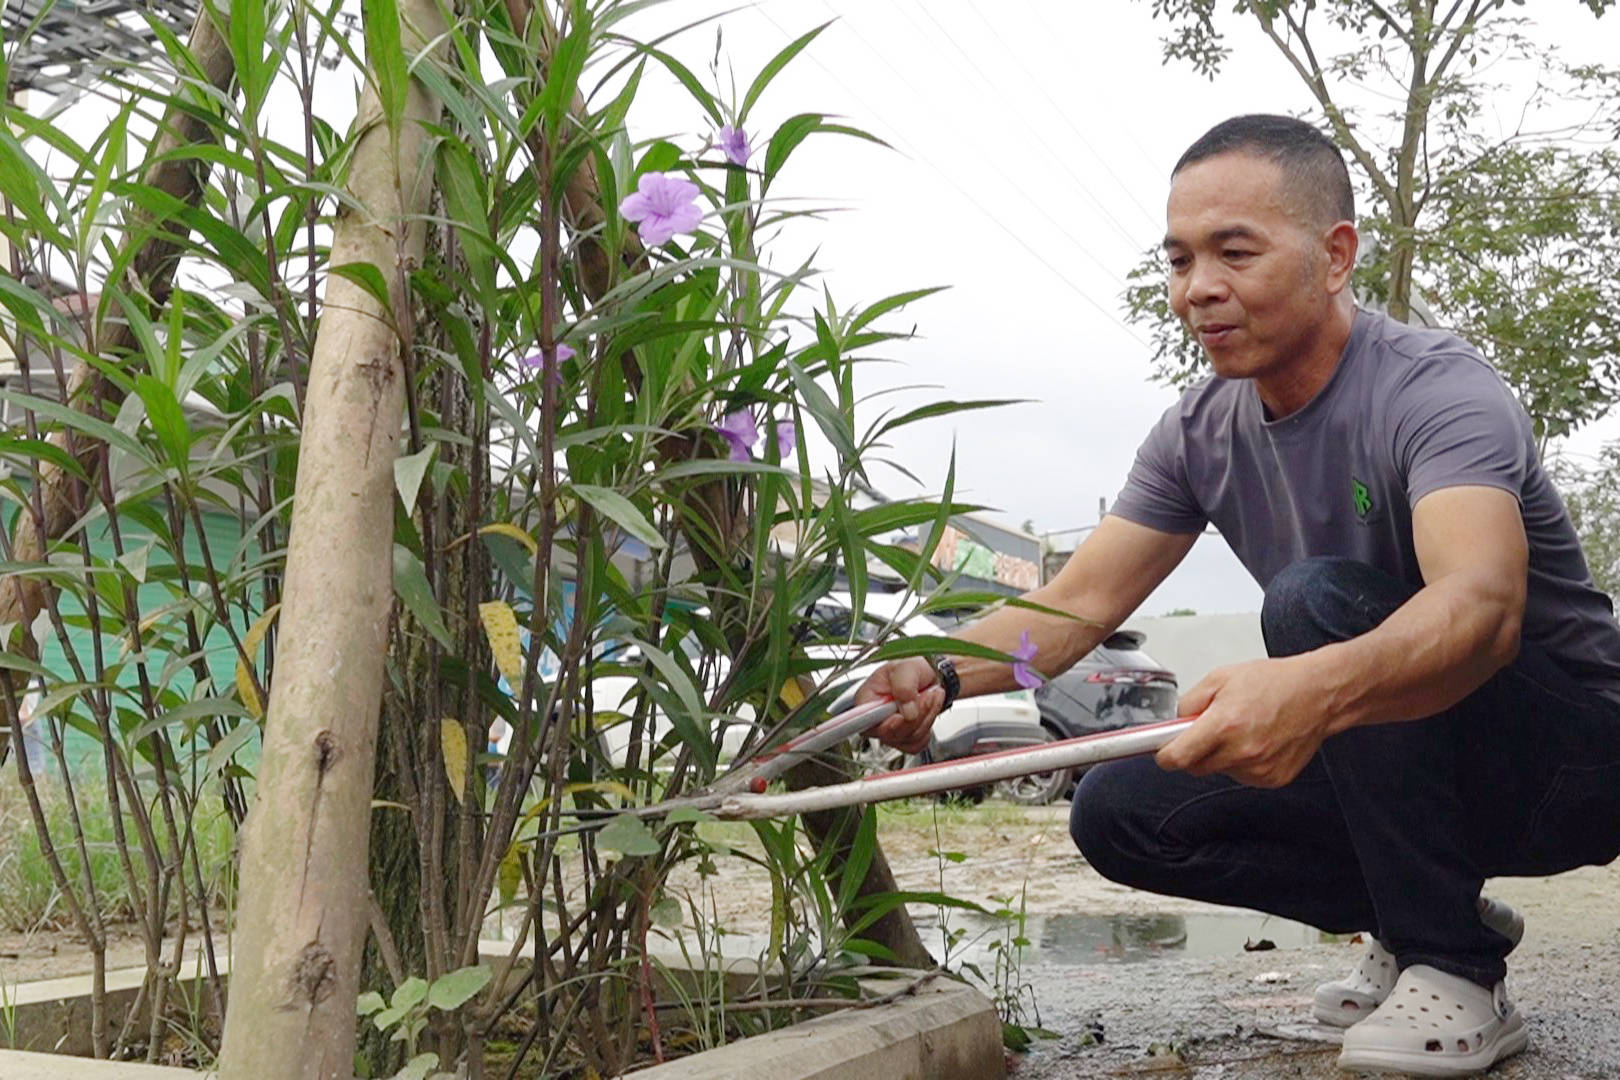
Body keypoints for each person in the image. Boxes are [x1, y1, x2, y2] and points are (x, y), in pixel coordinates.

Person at [854, 114, 1620, 1077]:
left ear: (1335, 255)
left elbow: (1481, 610)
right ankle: (1427, 912)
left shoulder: (1436, 391)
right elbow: (1070, 613)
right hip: (1411, 762)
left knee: (1312, 604)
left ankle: (1451, 968)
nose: (1196, 288)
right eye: (1178, 259)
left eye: (1234, 252)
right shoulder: (1198, 432)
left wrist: (1305, 689)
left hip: (1572, 766)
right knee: (1124, 810)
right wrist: (937, 674)